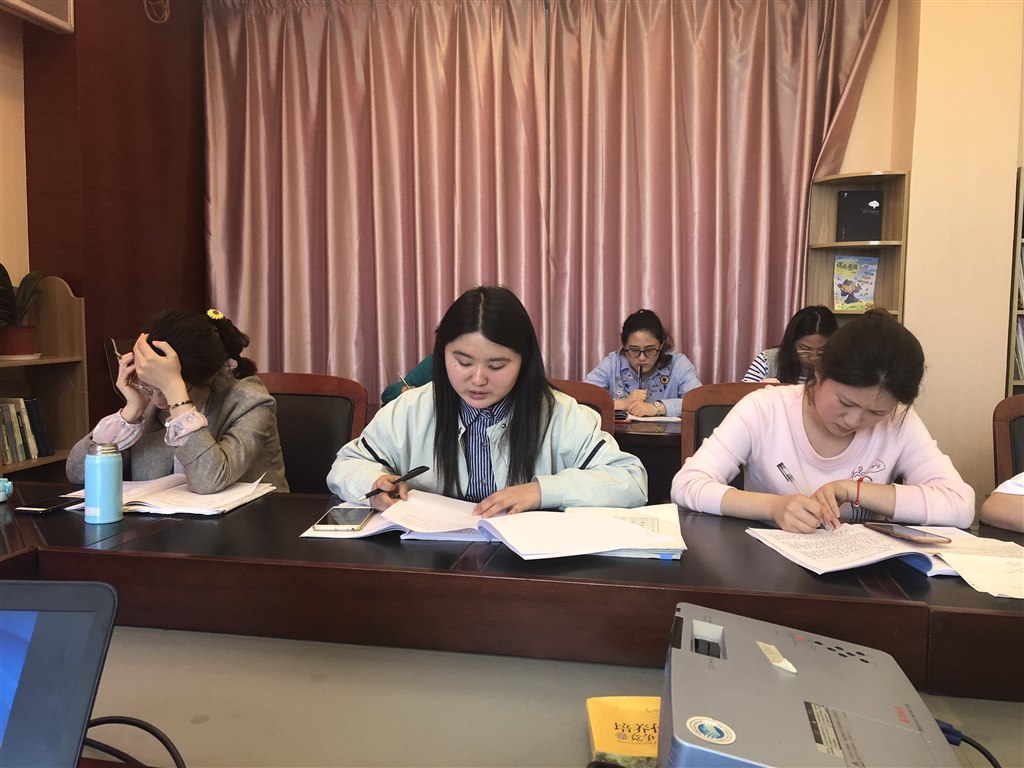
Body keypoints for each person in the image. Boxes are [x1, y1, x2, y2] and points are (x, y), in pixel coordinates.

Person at [328, 286, 647, 516]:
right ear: (441, 354)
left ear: (524, 361)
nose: (478, 379)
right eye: (463, 362)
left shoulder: (560, 414)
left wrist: (541, 491)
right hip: (430, 568)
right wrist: (373, 485)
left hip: (530, 572)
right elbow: (346, 465)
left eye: (497, 366)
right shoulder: (410, 410)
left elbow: (631, 480)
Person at [671, 310, 974, 533]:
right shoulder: (766, 409)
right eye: (845, 402)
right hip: (767, 573)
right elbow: (687, 484)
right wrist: (773, 507)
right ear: (819, 373)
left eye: (876, 413)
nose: (854, 420)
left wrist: (852, 490)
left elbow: (959, 505)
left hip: (861, 580)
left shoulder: (898, 423)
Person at [68, 308, 288, 493]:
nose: (156, 400)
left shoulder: (250, 401)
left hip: (249, 524)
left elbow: (209, 480)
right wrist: (131, 412)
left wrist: (176, 396)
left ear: (208, 377)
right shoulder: (147, 401)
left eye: (165, 388)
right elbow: (77, 473)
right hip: (161, 525)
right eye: (149, 385)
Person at [585, 309, 701, 417]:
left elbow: (699, 402)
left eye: (650, 350)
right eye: (634, 350)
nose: (641, 358)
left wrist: (657, 408)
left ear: (661, 345)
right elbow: (582, 397)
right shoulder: (613, 363)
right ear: (624, 345)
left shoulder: (678, 364)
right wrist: (622, 403)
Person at [741, 305, 838, 384]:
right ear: (791, 343)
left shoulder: (840, 367)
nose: (813, 357)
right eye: (805, 349)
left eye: (821, 350)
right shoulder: (767, 361)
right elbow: (741, 396)